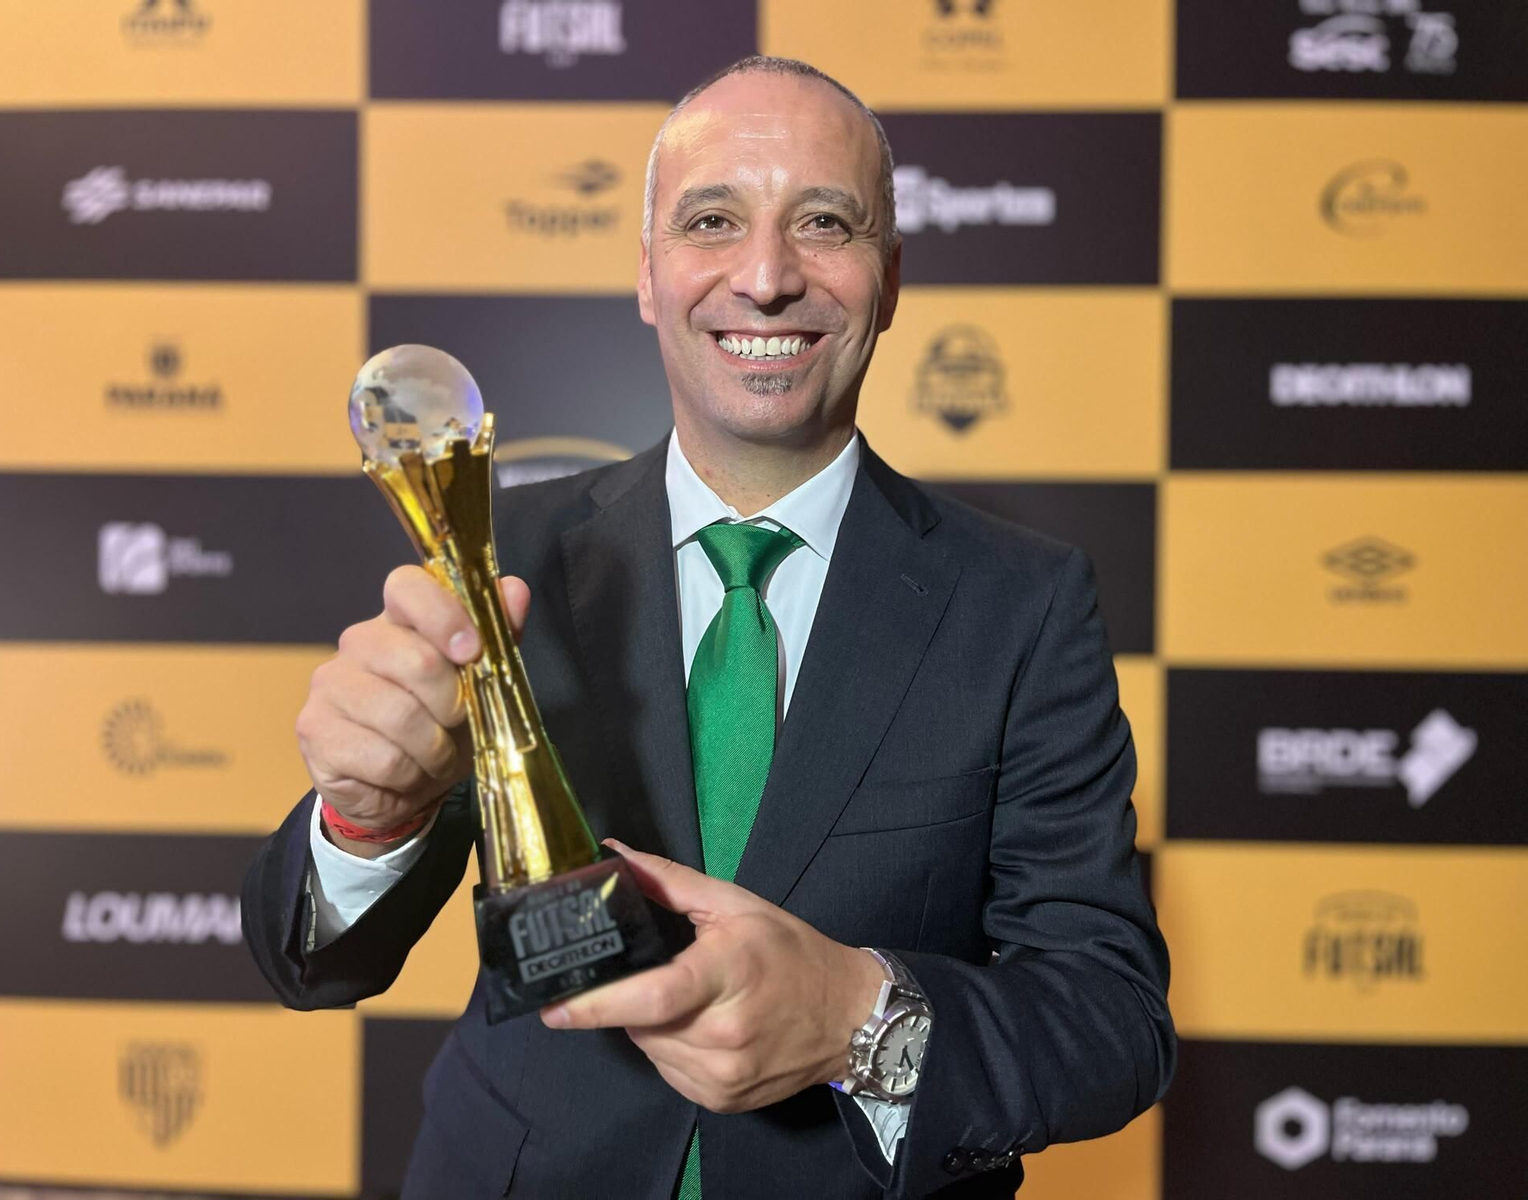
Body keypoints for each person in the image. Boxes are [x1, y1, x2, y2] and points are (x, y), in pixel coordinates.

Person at [242, 55, 1173, 1199]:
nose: (767, 276)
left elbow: (1111, 1018)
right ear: (648, 275)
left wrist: (858, 1021)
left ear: (889, 279)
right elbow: (315, 966)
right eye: (713, 220)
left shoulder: (1023, 603)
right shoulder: (498, 556)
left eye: (823, 223)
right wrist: (367, 819)